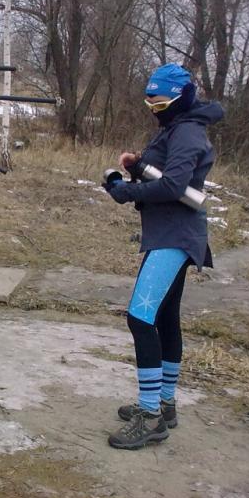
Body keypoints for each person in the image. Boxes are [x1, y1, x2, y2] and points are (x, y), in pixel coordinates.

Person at [102, 63, 224, 450]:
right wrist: (138, 168)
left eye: (160, 99)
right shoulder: (178, 128)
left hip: (175, 237)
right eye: (149, 99)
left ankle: (151, 414)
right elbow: (169, 175)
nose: (154, 107)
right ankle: (165, 403)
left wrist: (126, 191)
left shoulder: (187, 131)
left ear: (180, 96)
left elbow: (174, 186)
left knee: (140, 319)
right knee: (166, 317)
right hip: (171, 234)